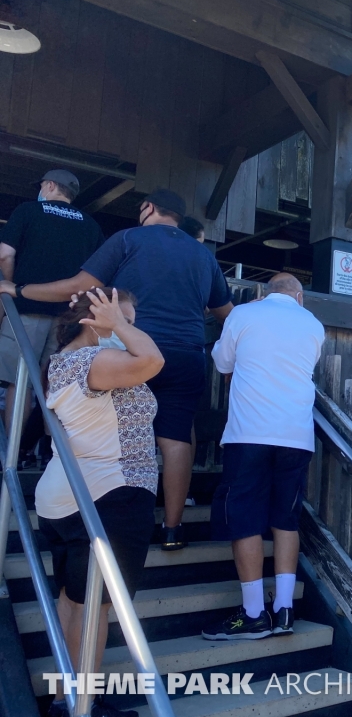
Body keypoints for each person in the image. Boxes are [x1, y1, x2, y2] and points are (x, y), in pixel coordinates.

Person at [0, 189, 234, 550]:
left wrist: (20, 289)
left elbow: (81, 286)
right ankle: (172, 528)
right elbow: (227, 314)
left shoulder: (129, 238)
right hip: (188, 353)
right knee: (176, 438)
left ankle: (96, 508)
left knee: (115, 424)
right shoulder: (204, 257)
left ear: (149, 208)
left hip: (134, 350)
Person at [35, 288, 164, 717]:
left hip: (71, 496)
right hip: (112, 494)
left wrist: (120, 325)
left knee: (74, 600)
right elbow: (152, 362)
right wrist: (121, 327)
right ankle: (81, 707)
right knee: (96, 607)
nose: (127, 329)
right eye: (117, 319)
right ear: (94, 320)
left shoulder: (62, 364)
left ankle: (67, 700)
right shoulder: (92, 361)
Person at [202, 273, 324, 640]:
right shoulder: (314, 325)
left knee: (245, 519)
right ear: (299, 297)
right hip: (297, 436)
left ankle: (254, 613)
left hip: (249, 433)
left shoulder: (243, 314)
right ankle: (284, 609)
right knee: (286, 519)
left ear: (266, 294)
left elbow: (223, 363)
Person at [0, 170, 105, 434]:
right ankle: (52, 456)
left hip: (26, 312)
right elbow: (97, 276)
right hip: (68, 319)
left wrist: (13, 289)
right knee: (55, 385)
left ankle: (13, 454)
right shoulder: (91, 226)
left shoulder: (28, 211)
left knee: (20, 382)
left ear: (48, 186)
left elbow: (5, 255)